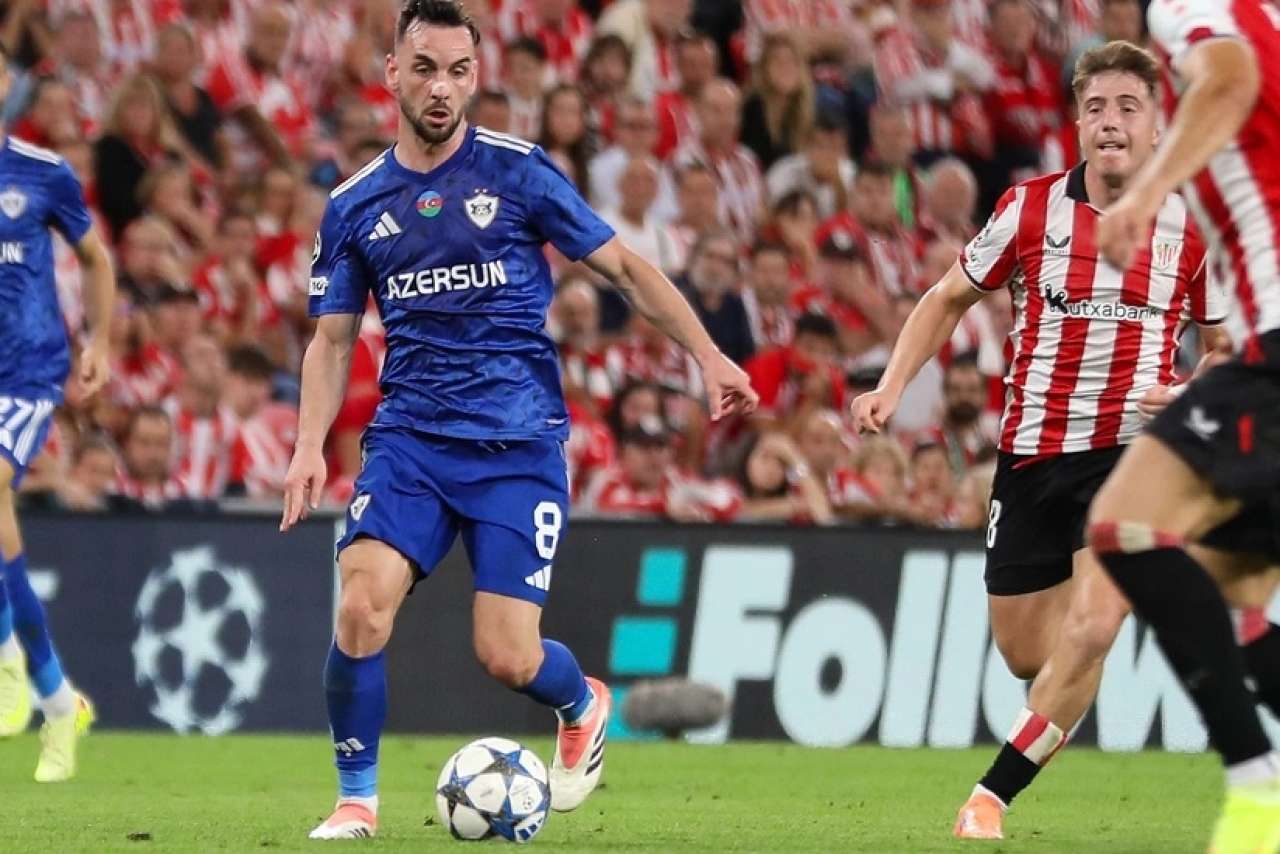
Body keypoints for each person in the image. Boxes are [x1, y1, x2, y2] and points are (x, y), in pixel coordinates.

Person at [279, 0, 757, 841]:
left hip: (518, 444)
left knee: (506, 655)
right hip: (410, 443)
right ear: (392, 73)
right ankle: (356, 801)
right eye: (425, 68)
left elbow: (625, 270)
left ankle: (582, 701)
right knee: (360, 607)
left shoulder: (519, 172)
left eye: (458, 70)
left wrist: (710, 355)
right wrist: (307, 445)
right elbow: (333, 338)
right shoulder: (355, 203)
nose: (441, 87)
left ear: (476, 78)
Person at [848, 40, 1250, 839]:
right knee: (1031, 656)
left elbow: (1226, 347)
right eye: (1096, 107)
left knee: (1094, 626)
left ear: (1157, 124)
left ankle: (988, 797)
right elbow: (946, 297)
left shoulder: (1192, 226)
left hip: (1135, 455)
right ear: (1076, 122)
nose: (1111, 122)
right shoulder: (1029, 210)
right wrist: (891, 385)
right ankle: (1053, 705)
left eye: (1128, 107)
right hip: (1033, 455)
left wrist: (1187, 394)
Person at [1091, 2, 1280, 849]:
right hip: (1259, 343)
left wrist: (1146, 195)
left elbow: (1229, 77)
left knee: (1125, 527)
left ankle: (1256, 788)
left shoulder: (1195, 8)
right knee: (1226, 593)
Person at [0, 40, 115, 781]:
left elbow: (98, 259)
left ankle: (10, 664)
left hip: (27, 373)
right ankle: (56, 700)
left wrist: (99, 340)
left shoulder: (43, 172)